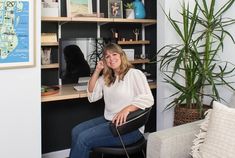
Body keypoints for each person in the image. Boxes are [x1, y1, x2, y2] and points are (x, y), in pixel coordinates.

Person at [69, 43, 154, 158]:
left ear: (121, 55)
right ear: (104, 60)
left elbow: (148, 98)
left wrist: (126, 109)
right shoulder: (107, 78)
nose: (111, 58)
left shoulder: (134, 74)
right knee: (76, 131)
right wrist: (98, 70)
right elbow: (92, 94)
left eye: (114, 54)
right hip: (110, 121)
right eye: (107, 56)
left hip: (130, 127)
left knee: (83, 139)